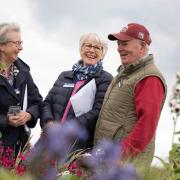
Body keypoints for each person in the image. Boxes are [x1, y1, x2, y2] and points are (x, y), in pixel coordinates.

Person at [94, 23, 167, 166]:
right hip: (108, 160)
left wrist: (120, 156)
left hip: (124, 164)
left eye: (125, 43)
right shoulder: (127, 74)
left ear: (142, 46)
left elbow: (147, 124)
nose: (119, 48)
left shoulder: (149, 77)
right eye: (119, 43)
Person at [40, 33, 113, 153]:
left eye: (97, 47)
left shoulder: (105, 79)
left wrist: (68, 128)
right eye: (87, 46)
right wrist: (48, 121)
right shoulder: (64, 76)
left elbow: (98, 111)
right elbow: (47, 102)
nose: (91, 50)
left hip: (76, 145)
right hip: (50, 139)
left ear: (103, 53)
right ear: (80, 49)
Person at [0, 23, 42, 158]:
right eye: (16, 43)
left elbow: (37, 102)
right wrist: (5, 120)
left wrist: (29, 115)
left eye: (21, 43)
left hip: (19, 149)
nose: (21, 48)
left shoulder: (23, 72)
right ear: (2, 46)